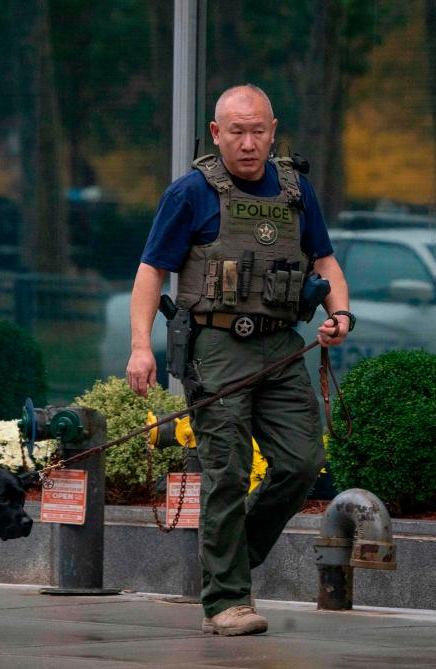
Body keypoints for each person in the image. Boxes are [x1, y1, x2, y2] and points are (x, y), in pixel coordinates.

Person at [126, 84, 352, 636]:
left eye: (257, 131)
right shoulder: (190, 194)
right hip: (217, 348)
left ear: (273, 131)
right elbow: (151, 272)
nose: (247, 144)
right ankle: (226, 602)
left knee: (302, 461)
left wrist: (341, 315)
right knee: (225, 474)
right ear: (215, 133)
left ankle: (229, 558)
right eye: (236, 132)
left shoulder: (298, 191)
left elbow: (324, 259)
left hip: (279, 346)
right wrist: (139, 347)